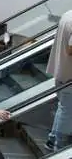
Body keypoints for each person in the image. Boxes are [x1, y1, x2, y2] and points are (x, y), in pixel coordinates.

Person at [45, 11, 72, 151]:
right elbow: (70, 49)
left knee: (64, 108)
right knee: (68, 111)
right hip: (69, 76)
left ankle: (52, 138)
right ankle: (59, 146)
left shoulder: (67, 14)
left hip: (61, 72)